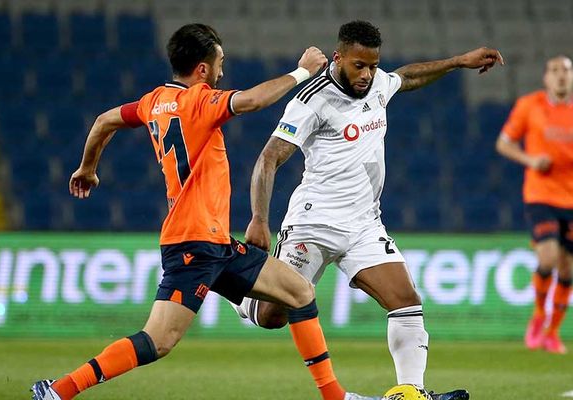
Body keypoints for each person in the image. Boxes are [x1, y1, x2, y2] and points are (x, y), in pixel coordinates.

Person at [30, 23, 376, 400]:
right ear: (202, 69)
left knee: (299, 291)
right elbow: (253, 101)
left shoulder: (153, 101)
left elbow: (103, 121)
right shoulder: (198, 101)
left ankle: (334, 396)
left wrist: (87, 168)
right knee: (158, 341)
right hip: (193, 245)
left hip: (214, 242)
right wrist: (301, 72)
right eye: (220, 63)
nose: (222, 72)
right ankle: (59, 390)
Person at [231, 20, 504, 399]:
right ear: (338, 57)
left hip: (363, 225)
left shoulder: (377, 84)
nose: (367, 74)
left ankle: (411, 392)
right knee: (272, 316)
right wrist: (259, 219)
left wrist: (458, 61)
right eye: (359, 65)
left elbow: (407, 77)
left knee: (406, 301)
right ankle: (237, 288)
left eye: (373, 65)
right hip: (313, 224)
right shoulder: (312, 100)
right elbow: (269, 157)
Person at [496, 55, 573, 355]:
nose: (561, 75)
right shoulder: (529, 106)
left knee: (567, 270)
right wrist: (530, 160)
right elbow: (504, 143)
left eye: (566, 70)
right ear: (545, 78)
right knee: (549, 258)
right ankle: (539, 315)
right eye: (555, 70)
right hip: (541, 195)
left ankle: (552, 332)